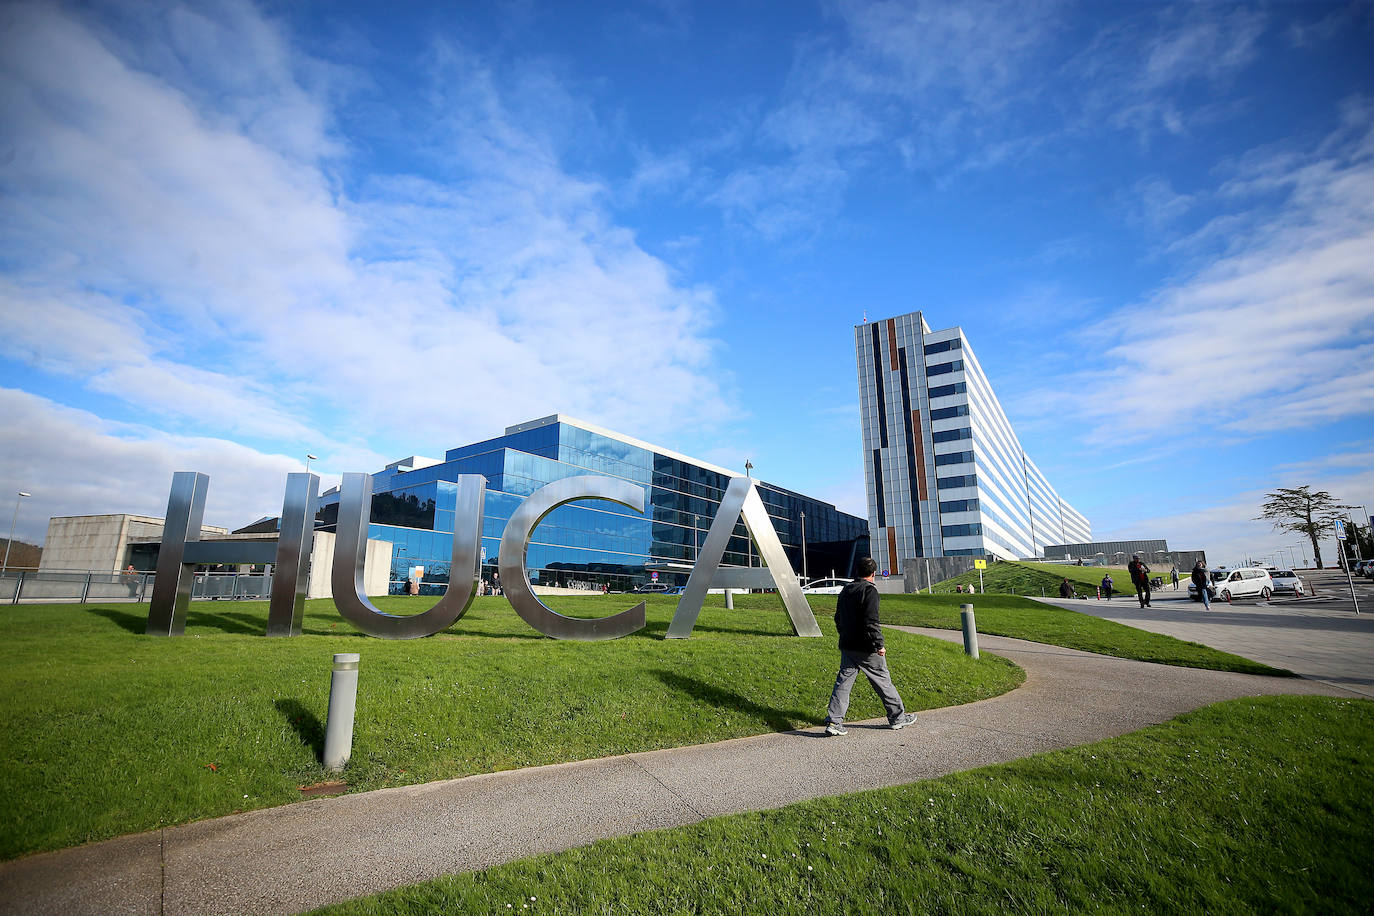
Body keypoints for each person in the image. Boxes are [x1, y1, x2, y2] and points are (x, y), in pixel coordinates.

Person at [824, 556, 917, 736]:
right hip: (866, 647)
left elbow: (838, 618)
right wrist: (878, 644)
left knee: (843, 682)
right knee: (883, 681)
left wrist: (844, 634)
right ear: (873, 573)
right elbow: (871, 621)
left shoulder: (846, 590)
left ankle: (834, 722)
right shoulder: (870, 591)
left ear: (857, 572)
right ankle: (897, 718)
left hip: (848, 644)